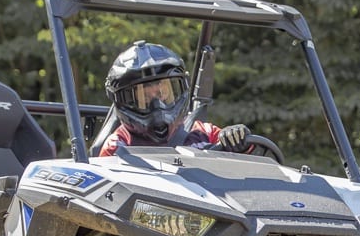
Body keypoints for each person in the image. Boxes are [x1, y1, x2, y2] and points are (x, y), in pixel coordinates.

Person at [98, 41, 252, 157]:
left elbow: (250, 166)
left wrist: (238, 140)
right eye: (144, 98)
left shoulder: (205, 133)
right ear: (123, 103)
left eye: (162, 94)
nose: (157, 106)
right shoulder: (118, 145)